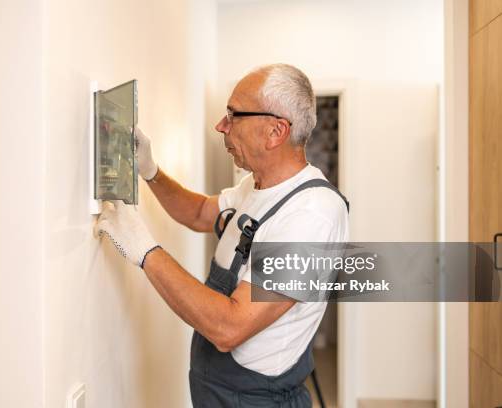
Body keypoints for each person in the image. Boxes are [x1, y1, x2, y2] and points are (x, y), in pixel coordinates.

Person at [95, 63, 349, 407]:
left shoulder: (310, 215)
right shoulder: (257, 185)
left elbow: (230, 327)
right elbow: (199, 213)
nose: (221, 126)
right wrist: (150, 171)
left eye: (234, 115)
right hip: (219, 392)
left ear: (275, 131)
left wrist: (146, 251)